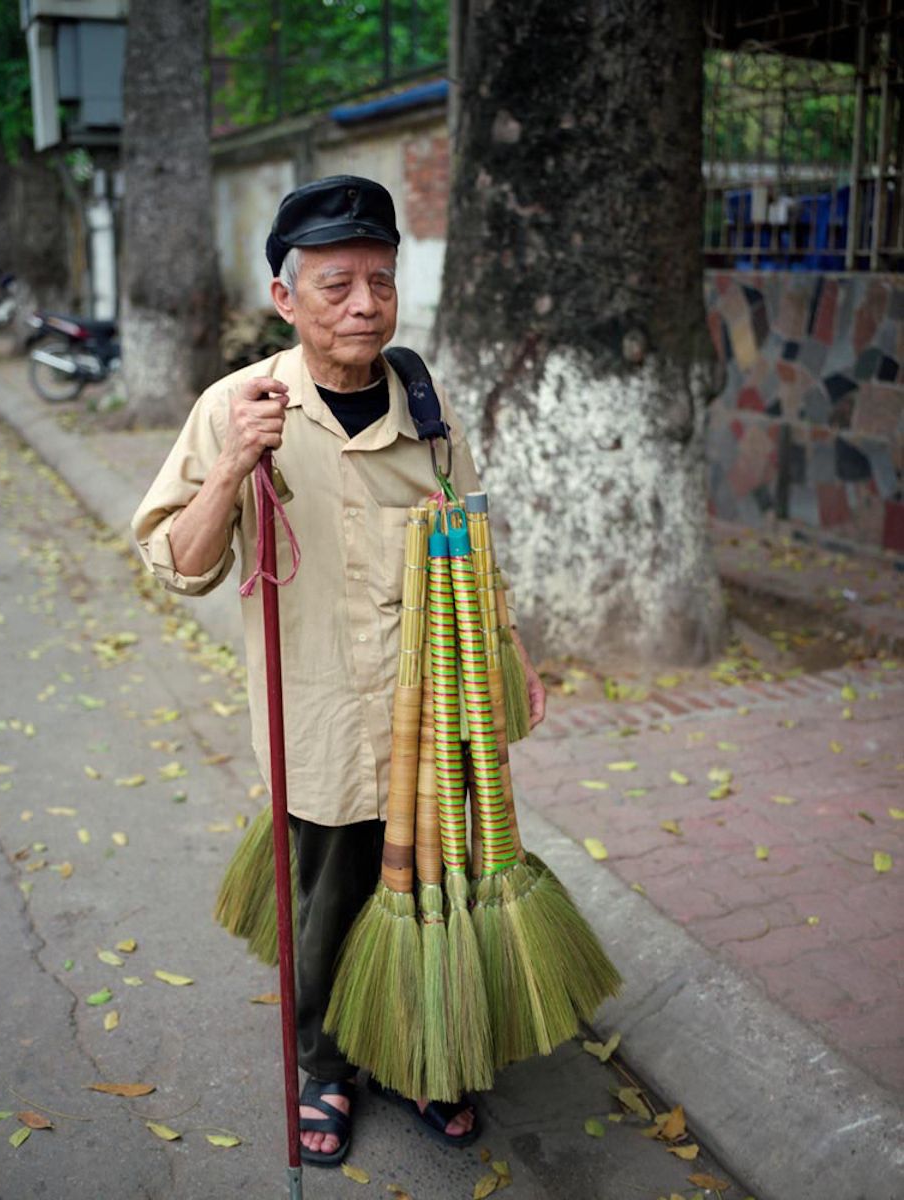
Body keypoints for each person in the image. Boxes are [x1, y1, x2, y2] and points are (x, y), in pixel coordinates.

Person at [131, 175, 546, 1167]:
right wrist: (235, 467)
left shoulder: (431, 415)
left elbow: (474, 550)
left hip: (428, 715)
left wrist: (513, 656)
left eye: (378, 280)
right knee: (326, 905)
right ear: (286, 298)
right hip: (315, 714)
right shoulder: (237, 407)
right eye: (335, 284)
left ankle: (411, 1053)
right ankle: (325, 1068)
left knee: (427, 892)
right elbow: (179, 566)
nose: (363, 303)